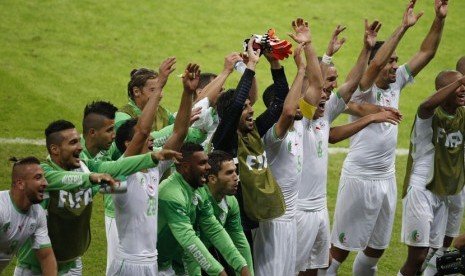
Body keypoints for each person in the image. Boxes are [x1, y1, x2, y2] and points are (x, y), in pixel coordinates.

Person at [327, 0, 448, 275]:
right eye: (391, 61)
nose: (395, 66)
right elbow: (377, 60)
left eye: (396, 61)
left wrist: (439, 19)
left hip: (386, 179)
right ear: (374, 64)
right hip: (359, 178)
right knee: (340, 250)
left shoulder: (398, 82)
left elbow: (427, 52)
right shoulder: (362, 90)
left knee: (375, 250)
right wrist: (402, 27)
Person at [14, 119, 173, 275]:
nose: (79, 147)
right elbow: (61, 179)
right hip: (34, 268)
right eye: (73, 142)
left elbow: (116, 166)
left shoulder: (84, 166)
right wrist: (89, 178)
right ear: (55, 149)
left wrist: (151, 158)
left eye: (78, 141)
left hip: (71, 264)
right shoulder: (41, 173)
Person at [106, 63, 197, 276]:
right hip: (128, 263)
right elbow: (142, 130)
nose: (151, 140)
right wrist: (161, 85)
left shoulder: (154, 169)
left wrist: (188, 93)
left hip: (151, 261)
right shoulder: (122, 170)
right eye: (147, 139)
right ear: (129, 143)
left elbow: (180, 131)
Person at [252, 18, 322, 275]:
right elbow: (289, 109)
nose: (302, 103)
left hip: (291, 218)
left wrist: (309, 45)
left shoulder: (300, 124)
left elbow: (317, 87)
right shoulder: (272, 136)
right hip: (273, 222)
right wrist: (299, 68)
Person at [398, 71, 465, 276]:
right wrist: (459, 81)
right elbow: (425, 105)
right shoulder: (428, 116)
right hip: (422, 190)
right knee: (417, 257)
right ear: (443, 91)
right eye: (457, 86)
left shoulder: (461, 114)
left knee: (433, 253)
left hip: (442, 193)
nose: (462, 89)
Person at [157, 142, 251, 276]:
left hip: (169, 264)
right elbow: (189, 240)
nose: (208, 167)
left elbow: (214, 229)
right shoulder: (172, 194)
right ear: (186, 167)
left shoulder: (199, 190)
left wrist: (242, 266)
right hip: (149, 263)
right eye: (202, 163)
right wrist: (219, 272)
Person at [184, 150, 254, 275]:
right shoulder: (195, 200)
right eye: (229, 173)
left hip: (205, 255)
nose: (236, 177)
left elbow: (240, 243)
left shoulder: (231, 202)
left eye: (235, 171)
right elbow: (188, 247)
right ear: (212, 179)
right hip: (178, 259)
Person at [79, 100, 119, 274]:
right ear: (93, 133)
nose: (114, 135)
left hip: (73, 246)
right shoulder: (74, 158)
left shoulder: (104, 150)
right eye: (109, 130)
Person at [0, 157, 56, 275]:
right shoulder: (2, 209)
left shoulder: (37, 213)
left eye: (44, 177)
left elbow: (46, 257)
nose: (45, 183)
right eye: (38, 177)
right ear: (20, 184)